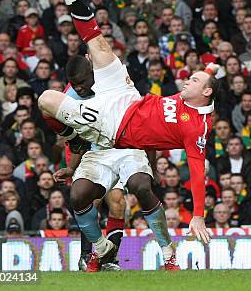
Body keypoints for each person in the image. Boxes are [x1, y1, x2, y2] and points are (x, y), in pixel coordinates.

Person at [39, 0, 215, 247]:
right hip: (123, 94)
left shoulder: (196, 126)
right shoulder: (182, 98)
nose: (186, 78)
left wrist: (198, 215)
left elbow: (197, 170)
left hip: (115, 128)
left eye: (194, 78)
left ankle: (155, 250)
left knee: (119, 199)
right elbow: (206, 80)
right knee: (88, 53)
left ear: (204, 92)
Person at [52, 55, 175, 271]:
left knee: (118, 202)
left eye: (82, 82)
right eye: (75, 84)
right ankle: (88, 256)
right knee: (90, 200)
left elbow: (144, 126)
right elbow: (75, 137)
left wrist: (153, 166)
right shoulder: (70, 97)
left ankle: (109, 258)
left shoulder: (115, 81)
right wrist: (71, 167)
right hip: (97, 153)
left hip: (127, 149)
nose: (79, 88)